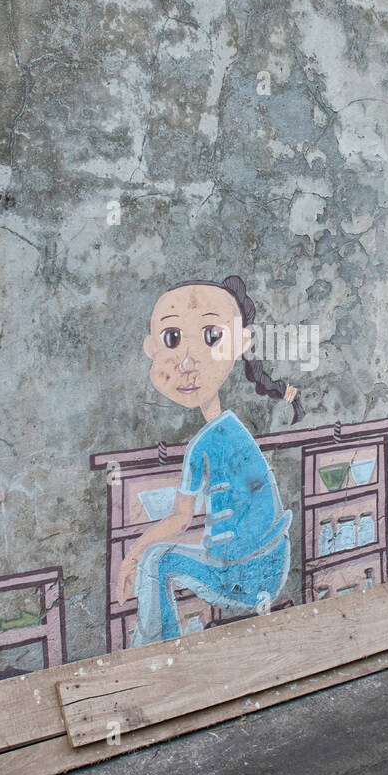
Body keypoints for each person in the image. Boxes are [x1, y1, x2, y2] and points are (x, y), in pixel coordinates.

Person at [117, 276, 300, 647]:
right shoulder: (233, 429)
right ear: (152, 348)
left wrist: (132, 555)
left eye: (211, 337)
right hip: (269, 561)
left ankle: (152, 650)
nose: (187, 361)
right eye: (172, 339)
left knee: (155, 560)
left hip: (246, 574)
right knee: (173, 549)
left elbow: (180, 518)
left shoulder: (207, 440)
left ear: (240, 344)